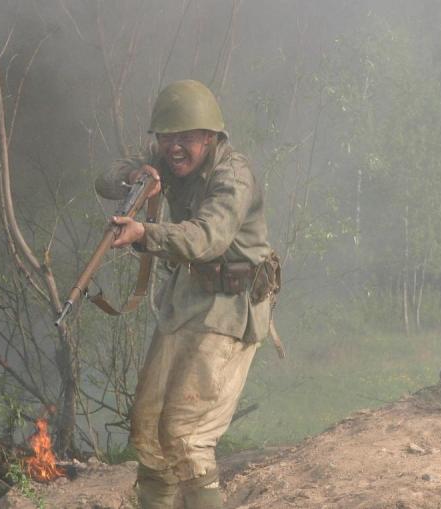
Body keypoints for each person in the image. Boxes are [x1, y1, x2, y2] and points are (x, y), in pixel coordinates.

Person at [95, 79, 278, 509]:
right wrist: (136, 176)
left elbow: (207, 238)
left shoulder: (234, 175)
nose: (173, 148)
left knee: (186, 435)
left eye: (185, 139)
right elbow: (104, 179)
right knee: (147, 429)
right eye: (166, 138)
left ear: (210, 137)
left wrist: (144, 233)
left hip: (232, 307)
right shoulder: (163, 159)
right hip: (187, 299)